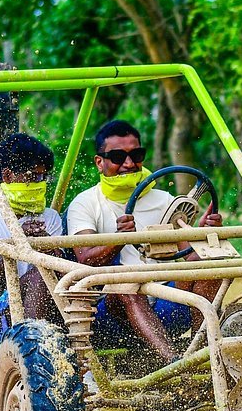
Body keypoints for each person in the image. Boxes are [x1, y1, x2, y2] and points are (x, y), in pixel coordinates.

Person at [66, 119, 222, 364]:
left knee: (210, 268)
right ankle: (173, 364)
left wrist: (201, 237)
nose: (128, 164)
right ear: (100, 162)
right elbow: (85, 260)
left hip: (166, 299)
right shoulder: (86, 204)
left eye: (136, 154)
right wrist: (119, 240)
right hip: (113, 313)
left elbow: (189, 258)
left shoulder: (164, 200)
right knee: (124, 281)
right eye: (118, 157)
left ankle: (204, 355)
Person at [0, 133, 64, 356]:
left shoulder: (50, 218)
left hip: (49, 304)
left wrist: (50, 250)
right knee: (38, 277)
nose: (39, 184)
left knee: (48, 280)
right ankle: (34, 355)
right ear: (7, 175)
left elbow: (62, 278)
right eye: (32, 177)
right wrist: (19, 242)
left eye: (43, 177)